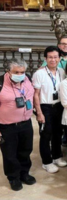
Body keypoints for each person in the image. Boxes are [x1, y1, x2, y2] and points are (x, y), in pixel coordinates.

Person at [0, 59, 36, 190]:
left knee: (26, 150)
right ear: (8, 71)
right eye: (16, 72)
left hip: (26, 123)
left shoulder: (27, 79)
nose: (20, 74)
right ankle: (13, 177)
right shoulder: (1, 83)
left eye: (22, 72)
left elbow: (33, 97)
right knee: (10, 153)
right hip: (7, 126)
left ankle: (24, 173)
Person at [33, 47, 67, 173]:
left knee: (58, 132)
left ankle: (56, 156)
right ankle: (46, 162)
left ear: (59, 58)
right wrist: (39, 112)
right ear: (45, 59)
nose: (53, 60)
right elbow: (35, 94)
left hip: (58, 106)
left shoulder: (62, 72)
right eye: (50, 57)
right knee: (46, 134)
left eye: (55, 57)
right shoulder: (39, 74)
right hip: (45, 107)